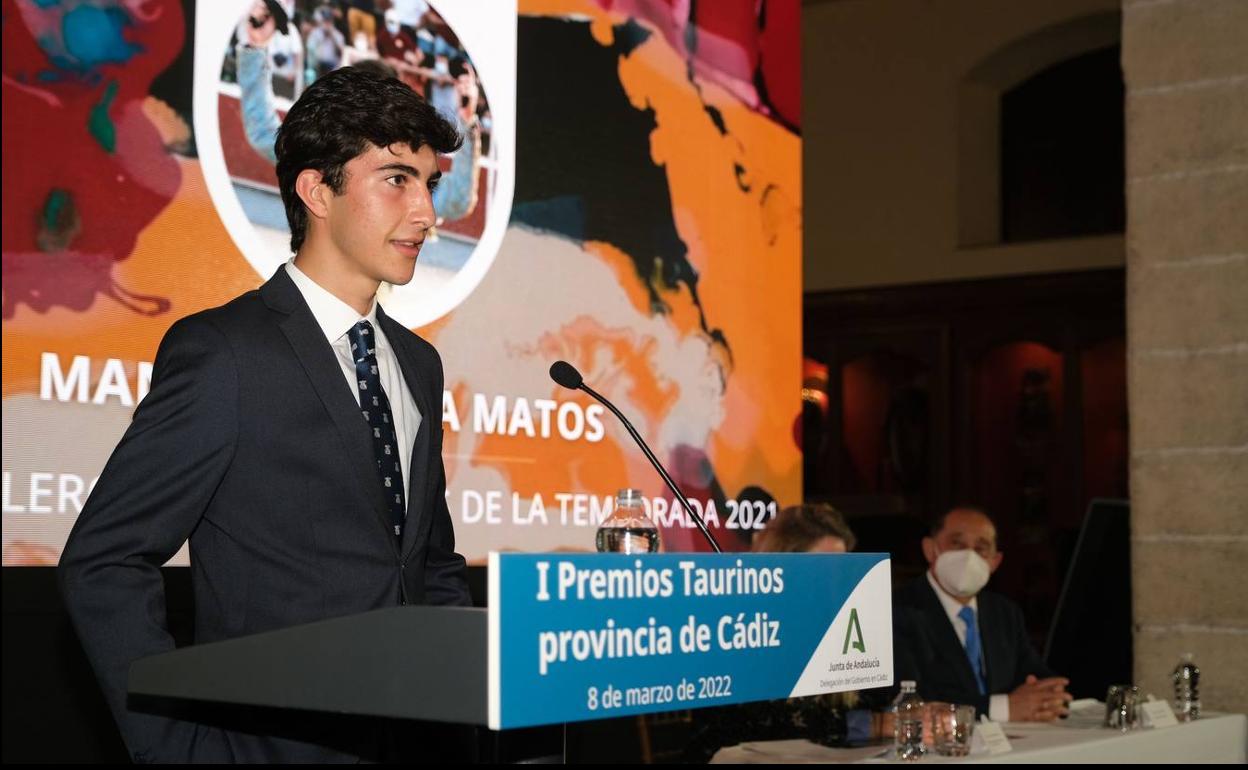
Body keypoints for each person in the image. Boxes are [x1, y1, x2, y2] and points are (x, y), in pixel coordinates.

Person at [58, 66, 470, 763]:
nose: (427, 212)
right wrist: (179, 749)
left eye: (429, 184)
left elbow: (429, 563)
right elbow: (105, 560)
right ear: (317, 191)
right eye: (398, 179)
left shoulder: (417, 364)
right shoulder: (225, 353)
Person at [684, 504, 891, 761]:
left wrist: (908, 713)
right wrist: (874, 725)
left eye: (840, 569)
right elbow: (771, 727)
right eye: (820, 570)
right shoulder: (741, 628)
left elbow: (872, 700)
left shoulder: (839, 623)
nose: (833, 581)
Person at [892, 506, 1073, 722]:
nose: (969, 556)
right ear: (930, 549)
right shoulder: (897, 611)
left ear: (995, 562)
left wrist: (1052, 695)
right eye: (957, 544)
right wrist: (1003, 708)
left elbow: (1034, 673)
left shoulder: (1004, 612)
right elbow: (911, 699)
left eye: (981, 548)